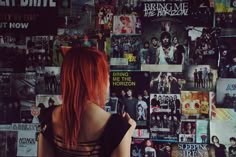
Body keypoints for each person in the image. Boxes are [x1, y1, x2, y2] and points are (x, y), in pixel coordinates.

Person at [38, 47, 136, 157]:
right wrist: (125, 136)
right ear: (95, 80)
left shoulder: (49, 117)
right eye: (106, 76)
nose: (108, 82)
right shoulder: (117, 127)